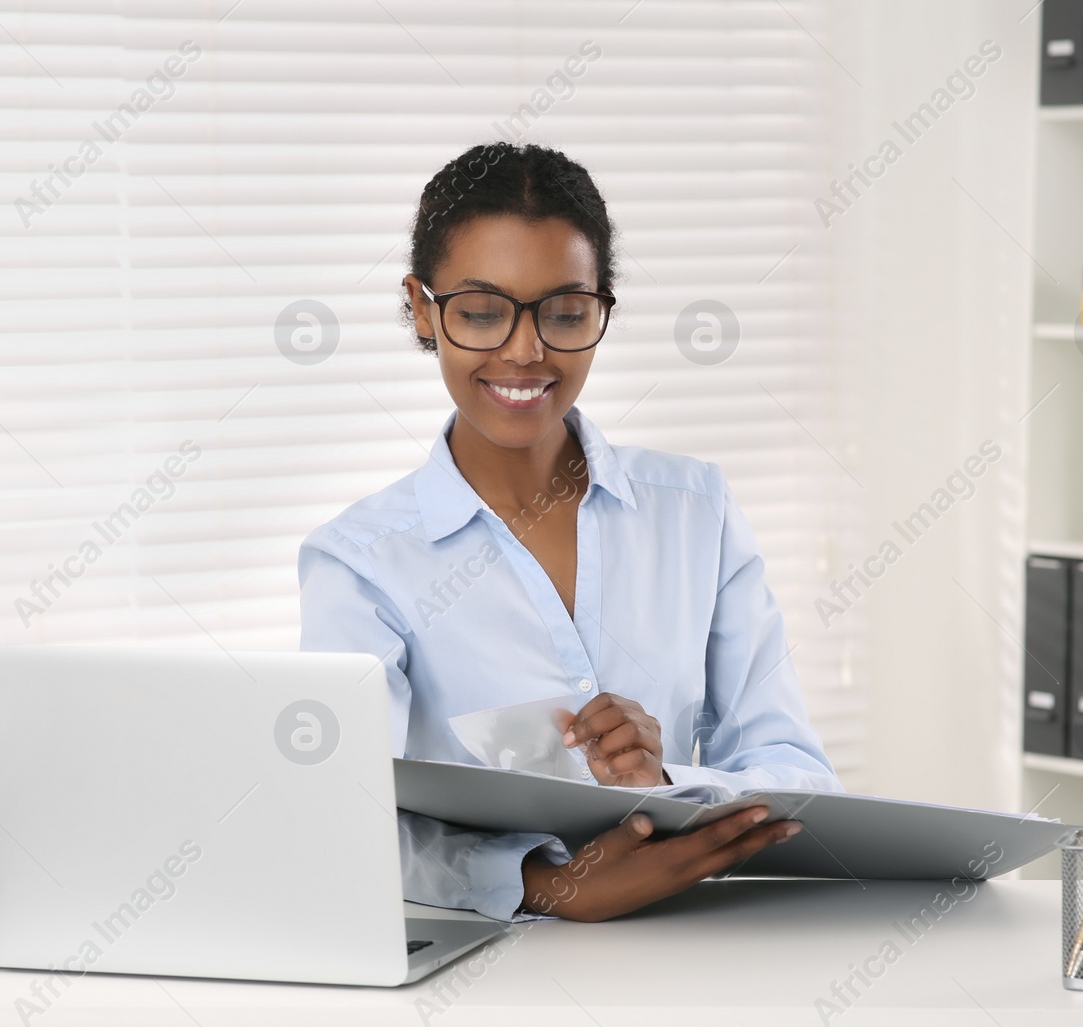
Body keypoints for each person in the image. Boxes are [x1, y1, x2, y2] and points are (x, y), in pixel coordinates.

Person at [298, 142, 841, 922]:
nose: (526, 350)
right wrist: (545, 887)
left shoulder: (695, 512)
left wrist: (667, 791)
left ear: (601, 307)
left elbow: (796, 774)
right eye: (482, 311)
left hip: (704, 952)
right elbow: (339, 817)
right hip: (482, 975)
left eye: (564, 311)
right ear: (422, 308)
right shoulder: (361, 564)